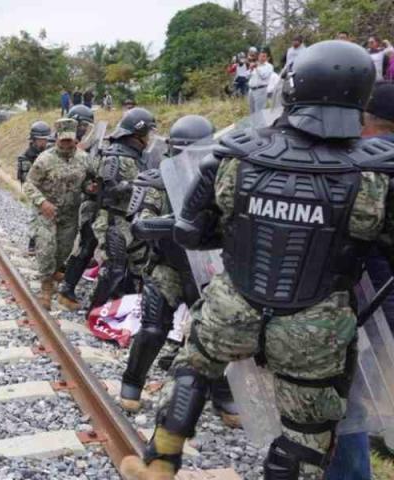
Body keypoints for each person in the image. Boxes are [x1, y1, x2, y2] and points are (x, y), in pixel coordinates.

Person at [122, 41, 394, 480]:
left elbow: (191, 231)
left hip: (234, 306)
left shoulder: (237, 155)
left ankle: (160, 462)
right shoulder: (376, 176)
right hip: (314, 325)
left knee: (194, 367)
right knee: (309, 425)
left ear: (292, 86)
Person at [117, 115, 239, 429]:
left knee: (217, 333)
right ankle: (133, 381)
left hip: (208, 266)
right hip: (167, 265)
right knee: (154, 329)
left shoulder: (221, 177)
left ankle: (224, 393)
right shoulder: (156, 180)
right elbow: (140, 225)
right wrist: (178, 223)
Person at [324, 81, 394, 480]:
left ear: (366, 122)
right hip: (380, 308)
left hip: (375, 313)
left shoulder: (369, 170)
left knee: (347, 407)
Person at [85, 108, 155, 310]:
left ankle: (129, 310)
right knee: (114, 268)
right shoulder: (113, 156)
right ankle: (94, 309)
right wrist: (136, 185)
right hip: (113, 221)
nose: (149, 138)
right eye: (147, 133)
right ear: (136, 134)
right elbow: (109, 190)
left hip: (135, 220)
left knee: (141, 267)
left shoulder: (141, 157)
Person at [23, 118, 90, 310]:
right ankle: (46, 286)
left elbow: (85, 181)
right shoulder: (45, 159)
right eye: (63, 141)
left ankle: (53, 273)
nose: (67, 145)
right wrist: (42, 202)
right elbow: (29, 184)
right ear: (57, 139)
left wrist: (89, 187)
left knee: (64, 250)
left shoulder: (84, 159)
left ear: (75, 140)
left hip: (69, 214)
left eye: (70, 141)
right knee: (46, 248)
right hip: (46, 213)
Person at [57, 104, 102, 310]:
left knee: (86, 244)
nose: (84, 129)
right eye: (82, 125)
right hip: (65, 199)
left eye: (87, 125)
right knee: (80, 244)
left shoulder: (90, 144)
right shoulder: (64, 142)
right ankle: (64, 284)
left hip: (84, 199)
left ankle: (67, 282)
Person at [18, 121, 53, 254]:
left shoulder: (50, 153)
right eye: (41, 140)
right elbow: (26, 180)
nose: (44, 143)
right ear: (33, 140)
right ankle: (32, 242)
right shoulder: (26, 157)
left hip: (50, 190)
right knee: (34, 216)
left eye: (45, 139)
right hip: (35, 191)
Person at [248, 48, 274, 114]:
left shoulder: (269, 66)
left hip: (260, 90)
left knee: (259, 112)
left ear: (268, 58)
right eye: (260, 56)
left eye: (264, 56)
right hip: (251, 90)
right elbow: (247, 76)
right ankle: (253, 124)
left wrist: (257, 67)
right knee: (252, 111)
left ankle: (260, 124)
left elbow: (264, 76)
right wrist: (250, 69)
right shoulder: (255, 64)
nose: (261, 58)